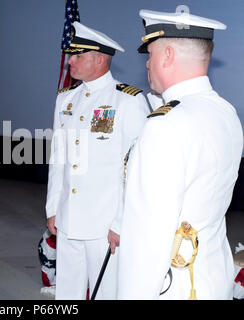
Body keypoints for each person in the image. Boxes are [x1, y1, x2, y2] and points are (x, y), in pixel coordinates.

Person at [118, 9, 243, 300]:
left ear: (168, 55)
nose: (147, 63)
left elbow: (149, 236)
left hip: (172, 287)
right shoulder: (226, 113)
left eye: (149, 53)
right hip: (212, 276)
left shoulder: (165, 124)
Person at [45, 21, 150, 300]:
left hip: (105, 224)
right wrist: (53, 207)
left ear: (100, 59)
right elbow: (59, 159)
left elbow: (136, 167)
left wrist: (120, 221)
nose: (70, 62)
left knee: (106, 293)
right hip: (68, 218)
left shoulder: (127, 101)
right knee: (67, 293)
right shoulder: (66, 99)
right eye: (71, 55)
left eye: (78, 56)